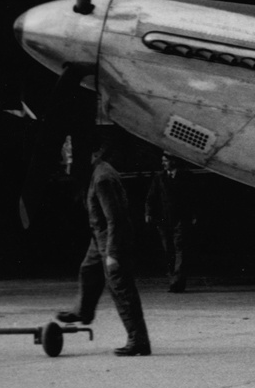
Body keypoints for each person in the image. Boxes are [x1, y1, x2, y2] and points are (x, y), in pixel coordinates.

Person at [55, 129, 151, 356]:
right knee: (88, 270)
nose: (66, 154)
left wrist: (113, 254)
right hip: (99, 237)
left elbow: (116, 218)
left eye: (70, 149)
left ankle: (138, 341)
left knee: (121, 288)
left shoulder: (102, 178)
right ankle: (83, 312)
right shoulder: (94, 172)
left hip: (112, 239)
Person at [145, 153, 194, 293]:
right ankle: (172, 278)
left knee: (180, 249)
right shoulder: (159, 177)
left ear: (174, 161)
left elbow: (192, 196)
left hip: (181, 218)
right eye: (163, 161)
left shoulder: (187, 176)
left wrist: (193, 214)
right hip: (164, 219)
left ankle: (178, 282)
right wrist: (148, 213)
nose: (163, 163)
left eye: (165, 161)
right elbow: (151, 196)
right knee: (168, 250)